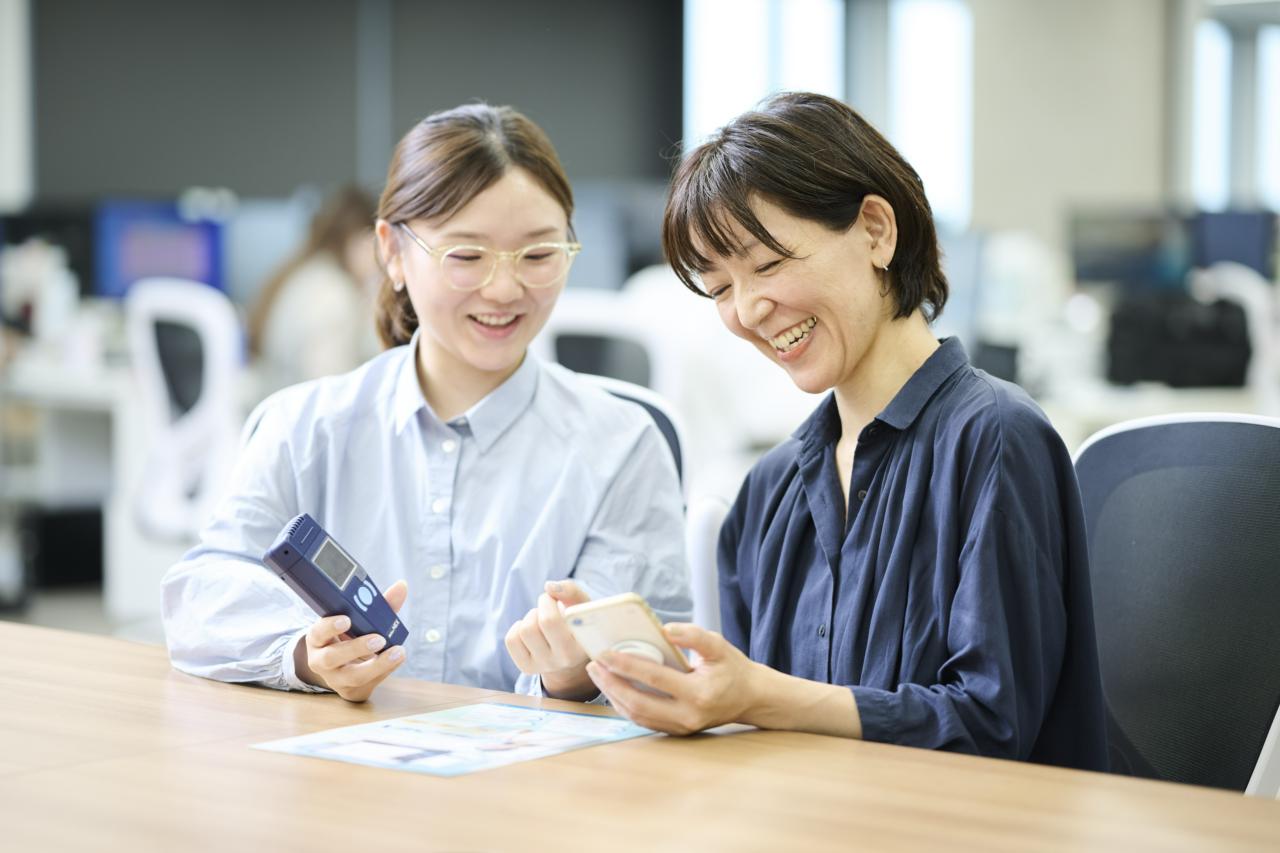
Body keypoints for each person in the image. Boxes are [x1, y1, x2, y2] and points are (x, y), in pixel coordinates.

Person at [583, 92, 1108, 771]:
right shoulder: (767, 493)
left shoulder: (997, 440)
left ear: (876, 231)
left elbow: (991, 725)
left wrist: (761, 695)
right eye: (718, 288)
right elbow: (751, 743)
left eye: (768, 265)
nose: (748, 308)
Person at [161, 103, 690, 703]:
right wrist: (304, 654)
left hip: (533, 784)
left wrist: (571, 673)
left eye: (539, 255)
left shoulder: (621, 445)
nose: (505, 289)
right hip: (340, 771)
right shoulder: (305, 427)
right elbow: (199, 596)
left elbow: (658, 657)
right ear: (392, 252)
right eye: (466, 255)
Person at [248, 185, 382, 392]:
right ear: (356, 239)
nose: (381, 259)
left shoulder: (308, 272)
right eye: (377, 243)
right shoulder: (333, 292)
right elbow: (329, 388)